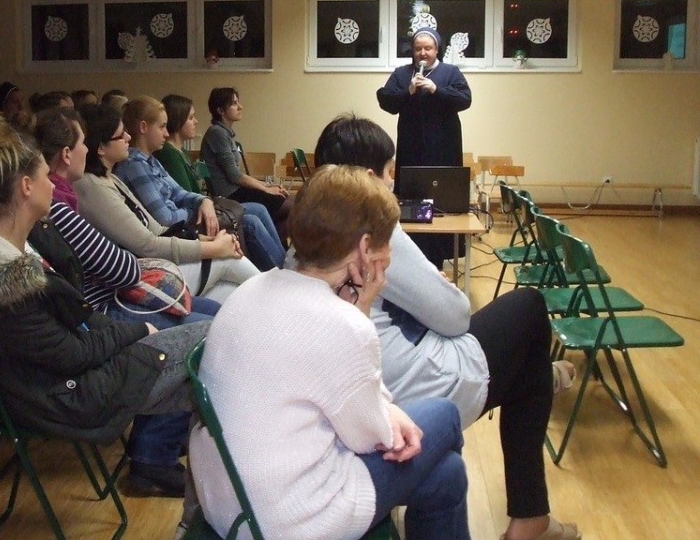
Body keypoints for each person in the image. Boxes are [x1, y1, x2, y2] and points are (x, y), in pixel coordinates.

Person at [312, 114, 580, 540]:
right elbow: (456, 316)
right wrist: (440, 287)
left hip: (358, 393)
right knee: (529, 309)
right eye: (389, 173)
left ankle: (539, 386)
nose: (393, 183)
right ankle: (531, 516)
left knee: (524, 358)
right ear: (368, 179)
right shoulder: (374, 229)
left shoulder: (306, 238)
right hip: (406, 393)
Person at [0, 108, 207, 497]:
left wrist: (130, 331)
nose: (52, 186)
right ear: (26, 187)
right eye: (45, 177)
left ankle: (199, 471)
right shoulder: (1, 279)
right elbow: (72, 353)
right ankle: (205, 476)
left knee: (211, 361)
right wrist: (137, 331)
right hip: (69, 396)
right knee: (214, 345)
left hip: (76, 374)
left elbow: (80, 317)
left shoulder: (12, 246)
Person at [190, 164, 469, 540]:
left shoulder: (252, 290)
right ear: (365, 248)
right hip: (291, 520)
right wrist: (362, 315)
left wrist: (384, 409)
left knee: (447, 475)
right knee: (446, 416)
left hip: (229, 504)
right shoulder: (342, 325)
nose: (390, 254)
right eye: (387, 242)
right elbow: (371, 437)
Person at [35, 106, 219, 327]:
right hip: (106, 306)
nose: (86, 149)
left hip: (121, 288)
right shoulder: (59, 204)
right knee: (215, 322)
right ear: (66, 154)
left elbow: (153, 231)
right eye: (83, 143)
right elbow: (126, 267)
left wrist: (202, 236)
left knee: (216, 309)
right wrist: (213, 247)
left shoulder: (85, 188)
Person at [74, 103, 259, 303]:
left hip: (152, 267)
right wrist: (215, 248)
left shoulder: (111, 178)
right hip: (138, 281)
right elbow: (149, 245)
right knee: (230, 260)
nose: (128, 137)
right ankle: (278, 299)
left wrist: (206, 239)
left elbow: (158, 229)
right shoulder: (93, 186)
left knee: (233, 291)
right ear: (101, 147)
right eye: (121, 135)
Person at [120, 95, 284, 271]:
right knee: (251, 222)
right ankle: (282, 272)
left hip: (188, 218)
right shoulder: (135, 165)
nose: (166, 133)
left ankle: (283, 267)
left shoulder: (150, 160)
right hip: (178, 231)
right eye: (161, 127)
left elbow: (179, 192)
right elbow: (166, 218)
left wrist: (203, 201)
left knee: (259, 210)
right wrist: (198, 209)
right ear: (143, 127)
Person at [376, 27, 472, 268]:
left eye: (428, 48)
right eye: (418, 48)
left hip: (444, 149)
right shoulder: (402, 73)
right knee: (413, 199)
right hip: (412, 148)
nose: (422, 53)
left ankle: (439, 257)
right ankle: (412, 256)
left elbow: (465, 100)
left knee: (443, 200)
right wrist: (408, 92)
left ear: (437, 50)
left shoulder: (450, 72)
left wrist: (436, 90)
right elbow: (386, 100)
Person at [199, 87, 292, 245]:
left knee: (287, 204)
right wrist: (266, 189)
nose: (240, 107)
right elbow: (234, 176)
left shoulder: (225, 133)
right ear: (220, 110)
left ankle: (273, 245)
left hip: (237, 190)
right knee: (292, 208)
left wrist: (268, 186)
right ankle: (276, 248)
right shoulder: (217, 133)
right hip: (229, 195)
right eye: (234, 104)